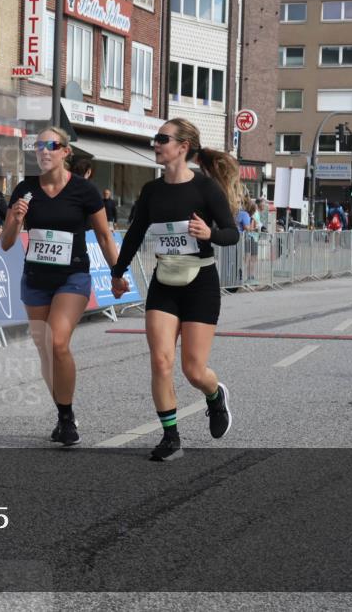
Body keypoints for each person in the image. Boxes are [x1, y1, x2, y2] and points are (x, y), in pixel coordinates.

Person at [110, 118, 240, 461]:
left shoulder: (205, 188)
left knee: (193, 370)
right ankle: (171, 438)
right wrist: (118, 273)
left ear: (183, 147)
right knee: (160, 360)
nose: (155, 143)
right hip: (164, 281)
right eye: (155, 138)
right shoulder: (152, 191)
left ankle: (215, 395)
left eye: (162, 138)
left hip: (200, 283)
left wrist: (210, 234)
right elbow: (135, 233)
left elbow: (232, 233)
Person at [1, 126, 120, 446]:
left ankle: (66, 419)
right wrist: (15, 219)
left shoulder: (84, 190)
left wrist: (117, 273)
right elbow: (6, 243)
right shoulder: (25, 189)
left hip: (73, 276)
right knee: (45, 350)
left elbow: (104, 236)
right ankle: (63, 413)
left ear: (66, 152)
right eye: (38, 145)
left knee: (56, 342)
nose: (44, 150)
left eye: (51, 145)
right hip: (35, 279)